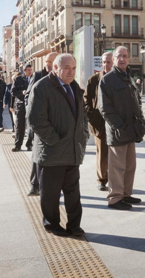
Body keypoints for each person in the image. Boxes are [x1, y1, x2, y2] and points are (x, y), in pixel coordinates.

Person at [27, 53, 88, 237]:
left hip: (71, 152)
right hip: (51, 153)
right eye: (67, 68)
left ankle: (74, 225)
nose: (71, 72)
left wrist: (83, 135)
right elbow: (35, 120)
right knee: (50, 194)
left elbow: (82, 117)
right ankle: (52, 224)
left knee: (73, 194)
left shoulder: (74, 87)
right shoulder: (42, 87)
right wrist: (54, 140)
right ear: (55, 68)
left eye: (74, 68)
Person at [99, 46, 145, 210]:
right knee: (117, 167)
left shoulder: (129, 77)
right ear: (113, 58)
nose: (122, 59)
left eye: (125, 56)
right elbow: (104, 108)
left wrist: (141, 121)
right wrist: (119, 126)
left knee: (129, 166)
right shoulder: (107, 80)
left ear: (129, 58)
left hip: (131, 130)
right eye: (119, 56)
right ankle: (114, 198)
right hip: (118, 131)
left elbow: (137, 102)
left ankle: (126, 194)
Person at [24, 52, 59, 196]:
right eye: (49, 62)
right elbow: (28, 97)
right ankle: (34, 185)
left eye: (53, 62)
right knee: (37, 156)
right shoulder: (38, 75)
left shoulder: (60, 77)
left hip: (56, 124)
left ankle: (52, 186)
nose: (50, 65)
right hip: (40, 125)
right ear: (45, 62)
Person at [84, 51, 113, 192]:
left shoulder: (119, 78)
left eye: (108, 62)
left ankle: (115, 179)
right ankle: (102, 180)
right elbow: (86, 100)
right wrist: (92, 117)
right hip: (99, 122)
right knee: (102, 152)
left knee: (117, 154)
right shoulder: (93, 80)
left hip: (116, 123)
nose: (106, 65)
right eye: (104, 62)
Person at [11, 65, 33, 151]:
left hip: (32, 105)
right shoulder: (18, 79)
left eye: (31, 70)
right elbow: (13, 92)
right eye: (28, 70)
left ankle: (29, 144)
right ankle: (17, 145)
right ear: (24, 70)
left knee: (31, 126)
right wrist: (21, 92)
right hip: (21, 106)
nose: (30, 72)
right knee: (20, 126)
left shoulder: (34, 79)